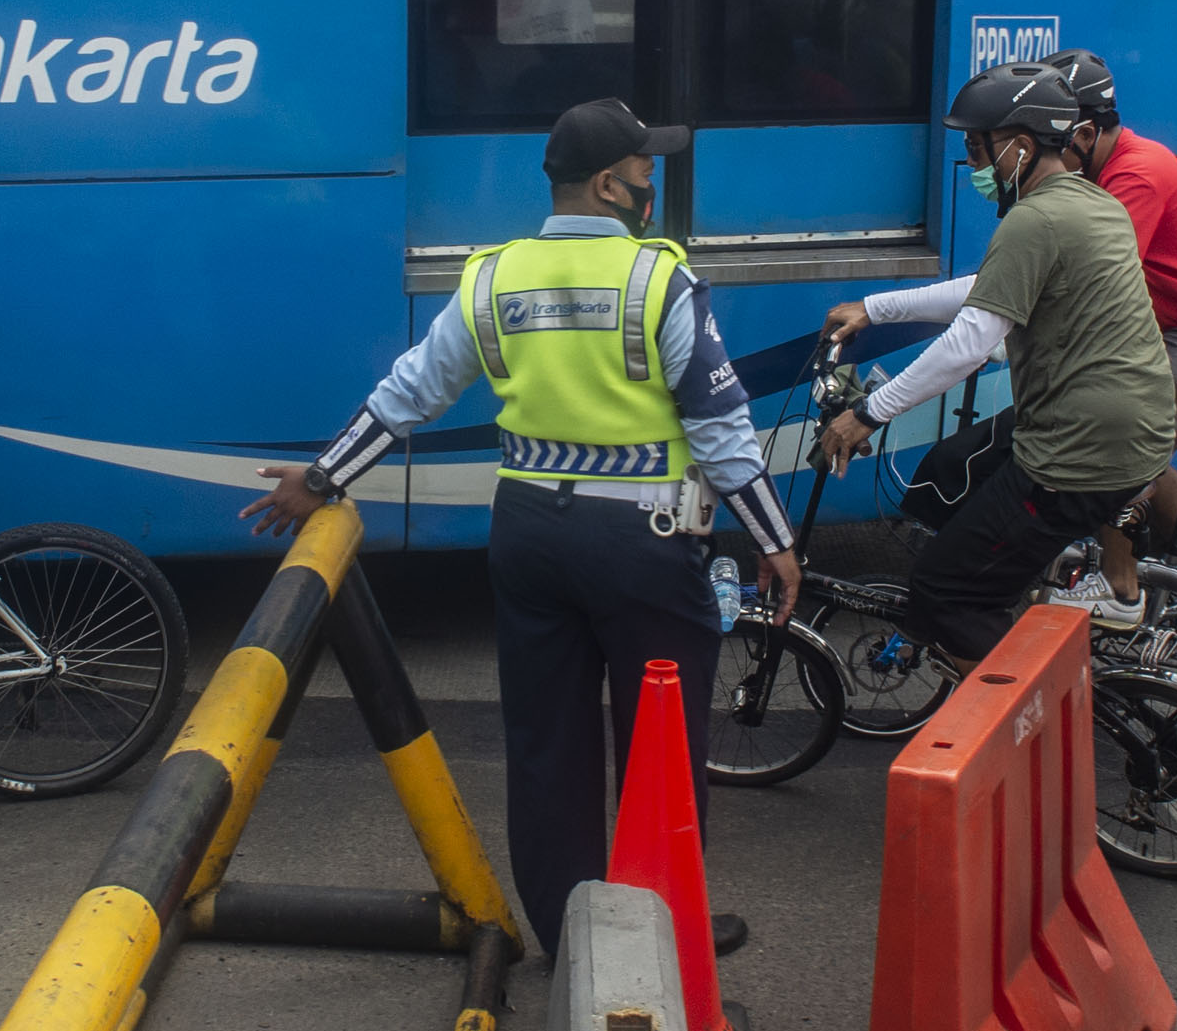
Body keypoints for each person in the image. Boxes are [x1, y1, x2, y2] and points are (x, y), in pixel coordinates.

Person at [245, 98, 800, 955]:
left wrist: (322, 478)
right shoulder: (661, 277)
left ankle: (568, 933)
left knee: (546, 743)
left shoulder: (492, 275)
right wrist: (773, 537)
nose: (654, 184)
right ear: (611, 185)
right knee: (658, 745)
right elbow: (720, 429)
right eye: (646, 172)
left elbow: (410, 392)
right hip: (643, 542)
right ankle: (661, 931)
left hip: (530, 533)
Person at [841, 49, 1177, 591]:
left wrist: (881, 386)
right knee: (1135, 452)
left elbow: (1061, 285)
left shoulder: (1135, 175)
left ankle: (1120, 586)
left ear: (1080, 134)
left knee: (1125, 444)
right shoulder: (1086, 189)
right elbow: (1026, 283)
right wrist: (880, 308)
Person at [816, 65, 1174, 664]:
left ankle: (1041, 726)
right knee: (957, 474)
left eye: (978, 147)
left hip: (1078, 449)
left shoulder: (1033, 220)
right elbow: (991, 289)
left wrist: (866, 414)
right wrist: (875, 309)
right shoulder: (1089, 203)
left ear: (1021, 146)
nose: (974, 162)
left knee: (944, 593)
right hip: (1124, 431)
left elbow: (970, 342)